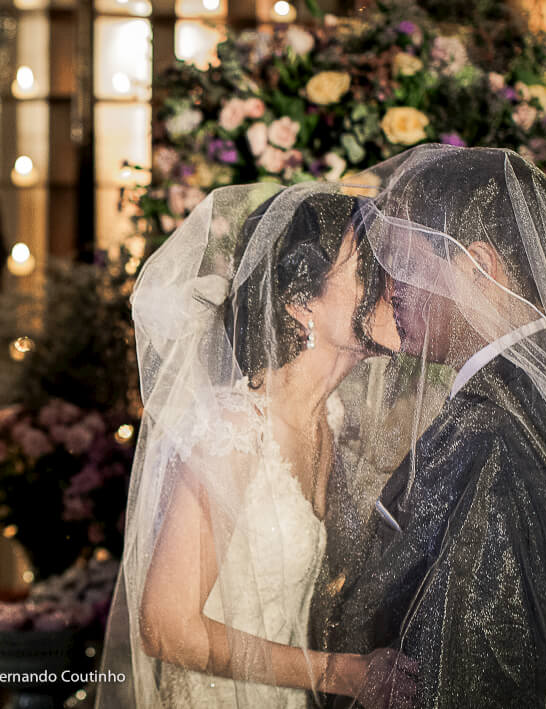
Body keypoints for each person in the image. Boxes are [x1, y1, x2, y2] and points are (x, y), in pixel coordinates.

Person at [97, 182, 419, 708]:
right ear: (299, 304)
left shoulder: (327, 417)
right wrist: (345, 675)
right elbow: (165, 627)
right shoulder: (233, 429)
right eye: (367, 269)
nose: (391, 285)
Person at [313, 145, 546, 708]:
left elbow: (482, 662)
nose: (390, 288)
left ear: (479, 267)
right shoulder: (532, 391)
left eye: (405, 263)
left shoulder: (499, 430)